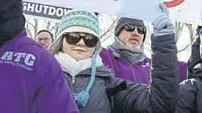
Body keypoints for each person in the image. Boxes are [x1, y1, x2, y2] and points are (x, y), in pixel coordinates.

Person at [49, 7, 179, 113]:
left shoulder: (109, 83)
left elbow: (159, 102)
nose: (81, 43)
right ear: (61, 40)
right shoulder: (39, 75)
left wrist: (164, 40)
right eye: (73, 37)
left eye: (89, 40)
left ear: (95, 45)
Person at [100, 10, 187, 84]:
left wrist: (200, 35)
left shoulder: (154, 66)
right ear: (118, 33)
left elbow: (190, 69)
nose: (136, 33)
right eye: (129, 27)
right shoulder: (104, 57)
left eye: (141, 30)